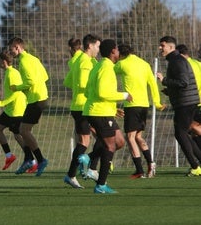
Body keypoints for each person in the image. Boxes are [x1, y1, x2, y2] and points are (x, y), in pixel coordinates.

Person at [83, 39, 133, 194]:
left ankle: (88, 159)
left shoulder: (99, 66)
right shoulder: (106, 68)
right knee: (110, 146)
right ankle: (101, 185)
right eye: (117, 49)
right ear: (113, 51)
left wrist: (113, 108)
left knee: (119, 142)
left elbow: (88, 92)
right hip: (100, 113)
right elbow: (103, 93)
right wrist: (124, 95)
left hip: (101, 111)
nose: (119, 52)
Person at [115, 43, 165, 178]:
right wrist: (157, 102)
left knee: (130, 137)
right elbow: (153, 84)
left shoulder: (122, 64)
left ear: (121, 54)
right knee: (138, 136)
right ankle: (151, 162)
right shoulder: (144, 64)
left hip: (132, 105)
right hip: (144, 105)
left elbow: (109, 71)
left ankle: (139, 170)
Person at [156, 36, 201, 176]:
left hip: (186, 103)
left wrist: (164, 80)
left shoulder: (177, 61)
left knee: (181, 134)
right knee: (184, 133)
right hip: (187, 102)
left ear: (170, 47)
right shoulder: (176, 60)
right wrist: (170, 91)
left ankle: (195, 166)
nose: (160, 48)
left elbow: (183, 82)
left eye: (162, 45)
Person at [7, 37, 50, 176]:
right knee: (23, 130)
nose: (10, 52)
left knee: (23, 131)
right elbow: (45, 76)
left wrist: (17, 87)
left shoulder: (24, 62)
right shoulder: (33, 58)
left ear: (17, 48)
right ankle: (30, 159)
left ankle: (39, 159)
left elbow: (30, 81)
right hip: (41, 97)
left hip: (35, 99)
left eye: (11, 49)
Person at [63, 34, 101, 188]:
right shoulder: (85, 62)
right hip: (83, 107)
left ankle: (84, 168)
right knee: (87, 141)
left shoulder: (79, 61)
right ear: (89, 46)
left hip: (80, 106)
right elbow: (83, 84)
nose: (98, 50)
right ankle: (84, 168)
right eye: (97, 46)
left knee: (97, 138)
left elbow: (67, 81)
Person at [0, 50, 28, 170]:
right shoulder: (9, 72)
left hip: (16, 110)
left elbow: (16, 93)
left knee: (19, 135)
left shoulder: (12, 73)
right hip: (10, 110)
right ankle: (9, 156)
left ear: (3, 61)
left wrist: (3, 103)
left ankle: (31, 160)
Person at [176, 44, 201, 150]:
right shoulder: (198, 64)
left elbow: (184, 84)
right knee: (192, 132)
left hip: (193, 102)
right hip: (196, 101)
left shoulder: (183, 66)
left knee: (188, 128)